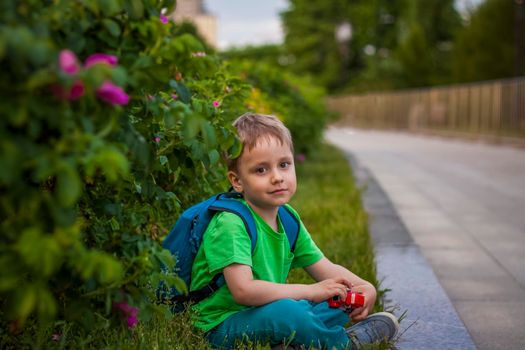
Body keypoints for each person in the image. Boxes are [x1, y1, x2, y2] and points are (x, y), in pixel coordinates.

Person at [190, 113, 398, 349]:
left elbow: (326, 269)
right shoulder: (231, 223)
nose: (277, 177)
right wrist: (310, 291)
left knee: (338, 295)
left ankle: (294, 342)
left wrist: (364, 287)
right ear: (237, 181)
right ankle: (345, 343)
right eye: (261, 170)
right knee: (289, 309)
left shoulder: (288, 219)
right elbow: (243, 291)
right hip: (222, 324)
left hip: (266, 312)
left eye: (284, 165)